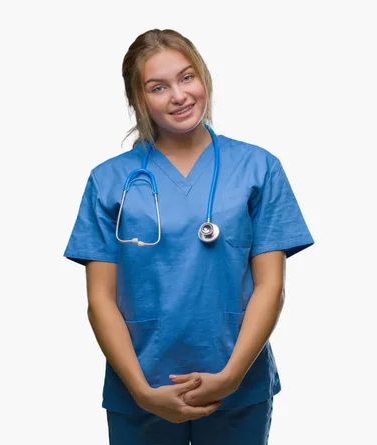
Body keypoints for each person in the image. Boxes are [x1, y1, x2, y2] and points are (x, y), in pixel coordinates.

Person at [63, 28, 315, 445]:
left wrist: (232, 376)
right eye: (157, 87)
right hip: (141, 387)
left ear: (204, 78)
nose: (179, 96)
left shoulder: (258, 168)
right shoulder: (108, 180)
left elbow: (271, 286)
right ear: (136, 100)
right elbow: (100, 300)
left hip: (237, 387)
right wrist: (143, 392)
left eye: (187, 77)